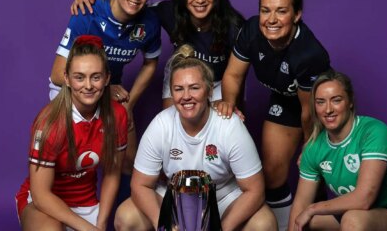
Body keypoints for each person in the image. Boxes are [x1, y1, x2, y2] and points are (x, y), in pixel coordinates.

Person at [113, 44, 277, 231]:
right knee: (125, 217)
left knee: (264, 223)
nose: (186, 96)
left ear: (209, 91)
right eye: (178, 89)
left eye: (194, 88)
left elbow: (255, 190)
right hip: (173, 198)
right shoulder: (161, 124)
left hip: (222, 198)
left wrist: (221, 228)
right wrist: (164, 223)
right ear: (172, 93)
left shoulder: (229, 126)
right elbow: (140, 185)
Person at [215, 0, 330, 229]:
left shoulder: (309, 53)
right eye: (265, 10)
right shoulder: (251, 30)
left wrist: (310, 146)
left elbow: (309, 112)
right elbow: (233, 75)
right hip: (285, 100)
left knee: (317, 173)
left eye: (281, 11)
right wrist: (229, 105)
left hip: (320, 110)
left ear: (297, 15)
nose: (272, 19)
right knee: (272, 173)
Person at [49, 0, 162, 198]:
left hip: (110, 89)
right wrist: (105, 90)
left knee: (128, 159)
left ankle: (123, 218)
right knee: (73, 157)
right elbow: (58, 75)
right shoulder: (87, 14)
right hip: (72, 89)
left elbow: (151, 63)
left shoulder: (149, 23)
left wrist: (129, 104)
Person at [70, 0, 245, 109]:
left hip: (218, 82)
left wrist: (232, 104)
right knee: (175, 129)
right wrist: (97, 1)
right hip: (181, 74)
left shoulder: (234, 26)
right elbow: (130, 5)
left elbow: (236, 75)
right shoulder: (169, 11)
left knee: (218, 130)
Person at [288, 70, 387, 231]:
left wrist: (312, 209)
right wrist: (302, 216)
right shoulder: (313, 147)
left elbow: (364, 198)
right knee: (305, 222)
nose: (327, 110)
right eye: (320, 102)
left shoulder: (374, 132)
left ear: (350, 101)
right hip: (358, 212)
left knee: (352, 220)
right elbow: (301, 204)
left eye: (336, 100)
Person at [15, 35, 128, 231]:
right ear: (66, 78)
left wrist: (100, 225)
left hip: (88, 206)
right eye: (79, 77)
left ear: (107, 78)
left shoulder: (117, 115)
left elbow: (112, 173)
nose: (88, 85)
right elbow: (41, 194)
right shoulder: (48, 122)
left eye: (96, 76)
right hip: (44, 206)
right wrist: (87, 229)